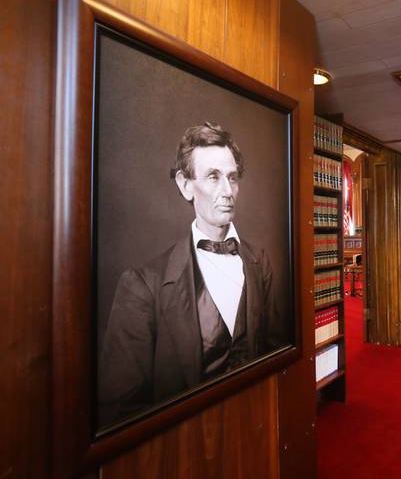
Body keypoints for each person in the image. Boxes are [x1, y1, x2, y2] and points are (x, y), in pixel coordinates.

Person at [98, 122, 283, 429]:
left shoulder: (259, 263)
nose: (227, 191)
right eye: (213, 177)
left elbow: (275, 356)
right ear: (185, 185)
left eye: (232, 178)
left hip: (255, 430)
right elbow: (119, 410)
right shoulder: (144, 285)